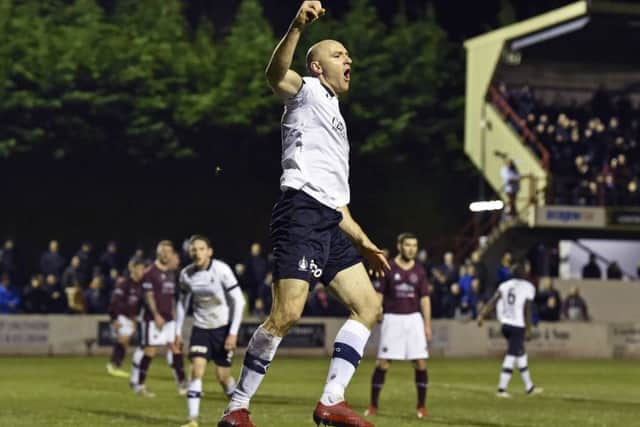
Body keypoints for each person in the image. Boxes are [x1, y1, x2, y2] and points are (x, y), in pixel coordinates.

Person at [218, 3, 388, 426]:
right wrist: (296, 26)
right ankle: (236, 408)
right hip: (300, 213)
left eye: (348, 55)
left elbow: (335, 200)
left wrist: (365, 244)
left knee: (369, 306)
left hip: (328, 221)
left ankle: (331, 401)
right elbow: (275, 75)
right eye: (338, 54)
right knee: (287, 314)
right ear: (316, 66)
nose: (347, 59)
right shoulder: (307, 92)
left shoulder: (335, 114)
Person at [176, 235, 246, 427]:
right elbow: (182, 304)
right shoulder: (186, 274)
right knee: (196, 371)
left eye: (201, 249)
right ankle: (192, 420)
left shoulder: (221, 269)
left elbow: (239, 301)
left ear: (209, 251)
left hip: (222, 329)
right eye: (193, 250)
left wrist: (232, 332)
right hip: (201, 328)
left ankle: (240, 412)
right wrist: (177, 331)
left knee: (223, 377)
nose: (197, 253)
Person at [365, 233, 431, 419]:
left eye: (414, 245)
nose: (411, 249)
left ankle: (421, 406)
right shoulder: (389, 267)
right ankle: (373, 405)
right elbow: (379, 293)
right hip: (392, 319)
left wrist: (427, 325)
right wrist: (377, 311)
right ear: (399, 246)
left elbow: (425, 299)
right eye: (408, 245)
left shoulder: (419, 270)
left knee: (420, 362)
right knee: (383, 363)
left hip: (414, 320)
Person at [129, 241, 186, 397]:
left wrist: (174, 313)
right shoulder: (150, 272)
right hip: (153, 319)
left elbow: (171, 297)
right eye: (164, 251)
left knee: (175, 347)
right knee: (150, 350)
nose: (166, 254)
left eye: (169, 251)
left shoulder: (170, 273)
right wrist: (156, 315)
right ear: (158, 253)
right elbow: (149, 296)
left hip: (169, 319)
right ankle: (139, 385)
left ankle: (182, 385)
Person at [478, 263, 542, 398]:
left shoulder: (505, 285)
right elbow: (528, 309)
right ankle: (501, 389)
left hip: (506, 324)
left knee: (520, 353)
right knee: (512, 355)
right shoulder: (528, 287)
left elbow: (493, 301)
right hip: (517, 325)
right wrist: (529, 328)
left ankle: (529, 387)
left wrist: (482, 315)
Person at [106, 257, 146, 378]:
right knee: (123, 339)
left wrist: (135, 319)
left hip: (130, 318)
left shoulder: (141, 286)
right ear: (133, 269)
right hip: (121, 316)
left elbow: (138, 305)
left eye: (143, 269)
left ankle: (115, 364)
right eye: (140, 269)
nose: (142, 272)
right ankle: (114, 365)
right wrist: (114, 318)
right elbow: (114, 301)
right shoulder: (124, 284)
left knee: (125, 341)